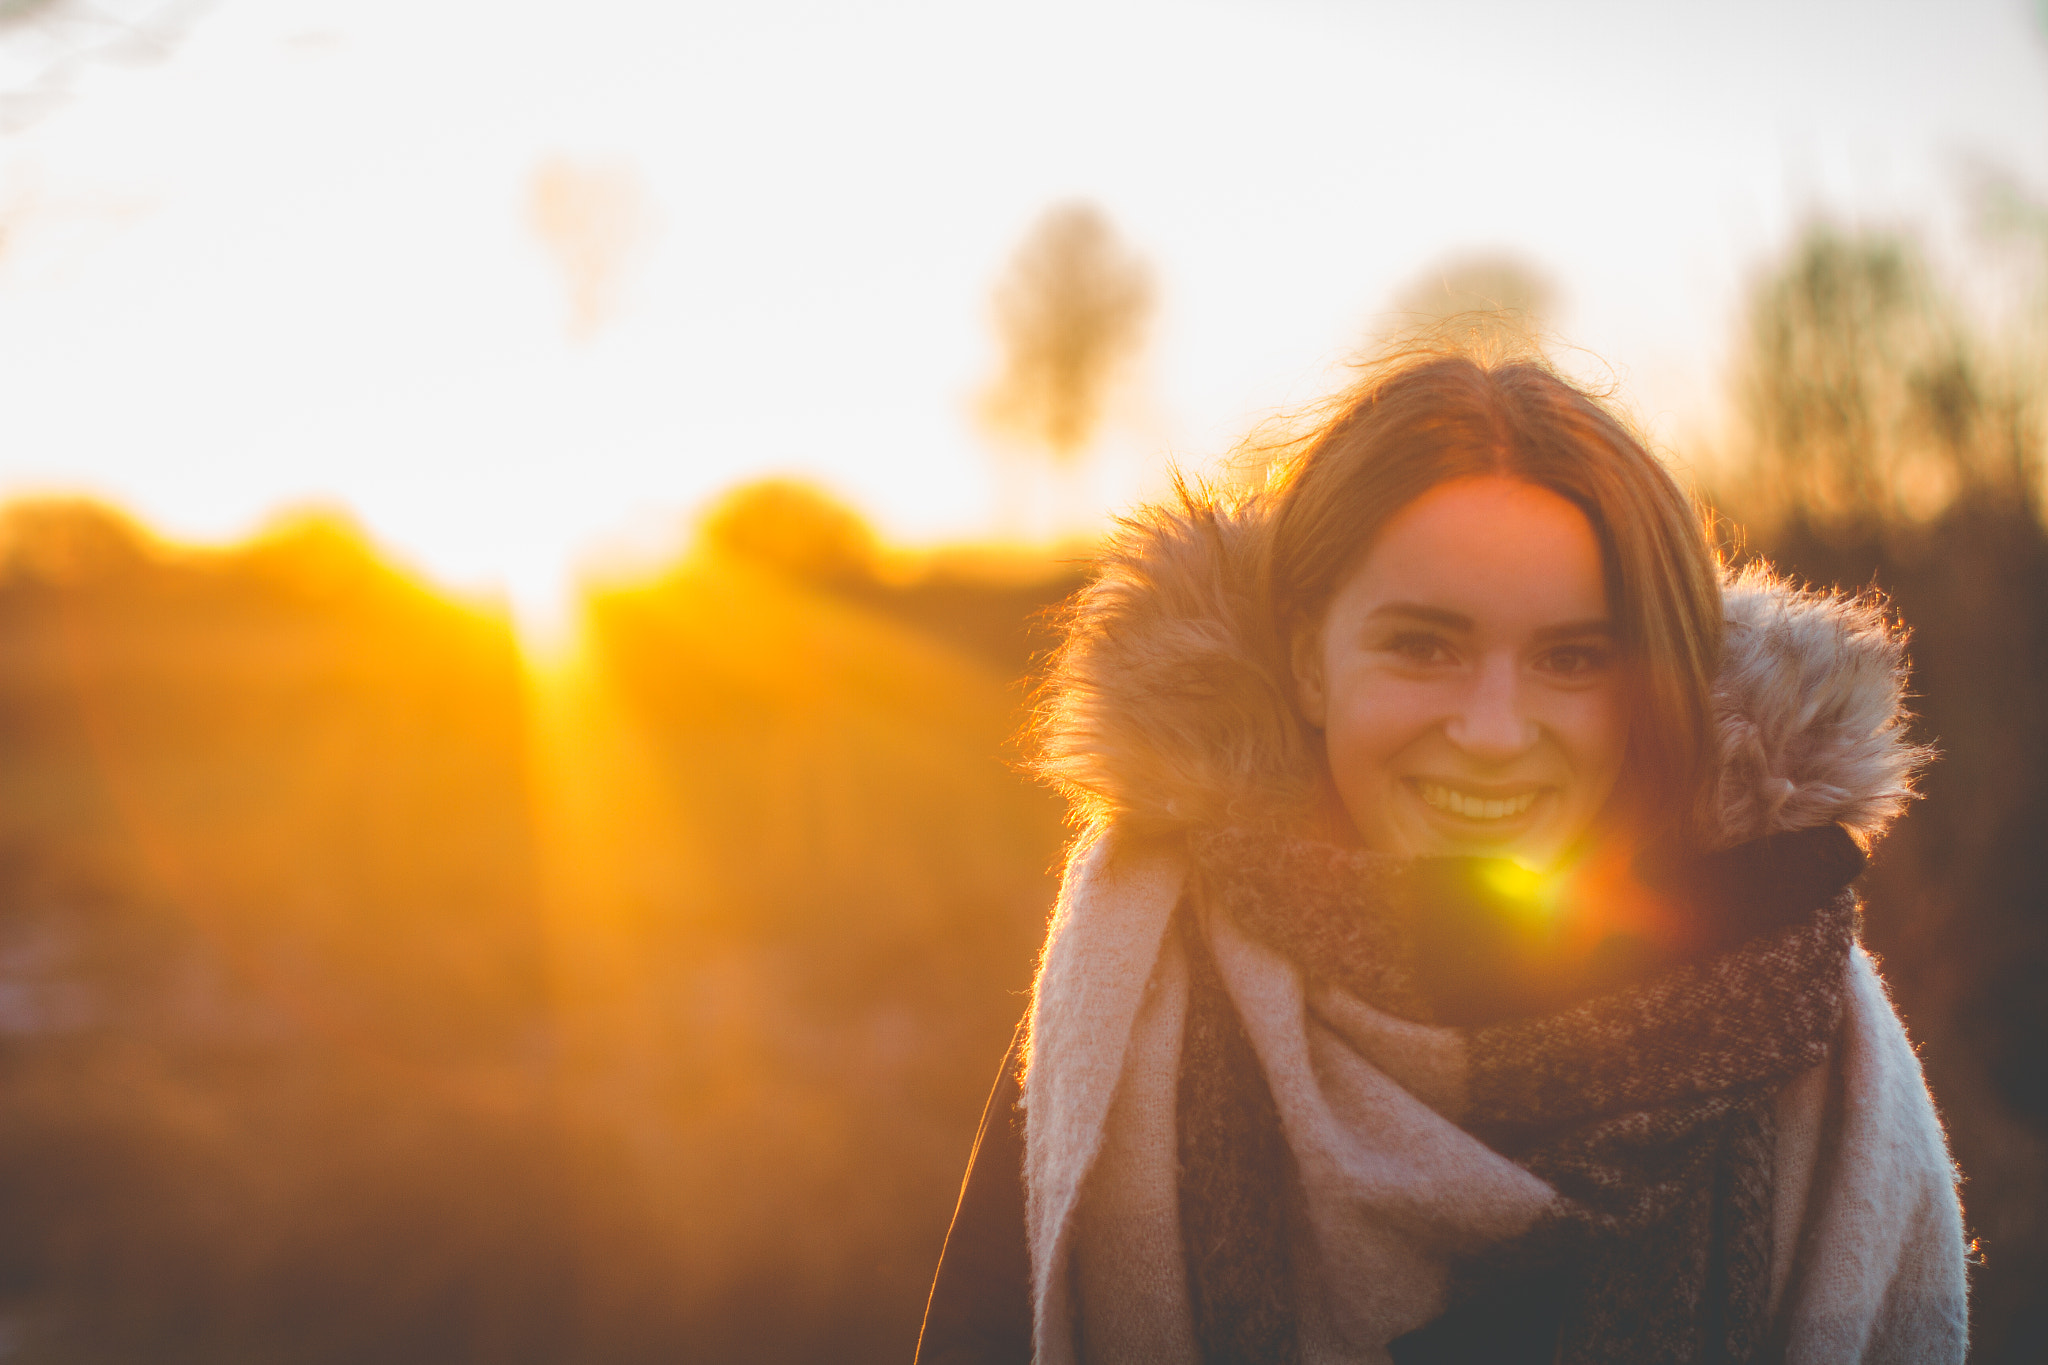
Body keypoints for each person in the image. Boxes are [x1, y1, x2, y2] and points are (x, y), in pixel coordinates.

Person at [916, 345, 1969, 1364]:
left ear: (1652, 686)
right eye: (1422, 645)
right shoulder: (1140, 976)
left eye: (1570, 658)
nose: (1493, 730)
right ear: (1307, 662)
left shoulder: (1797, 1020)